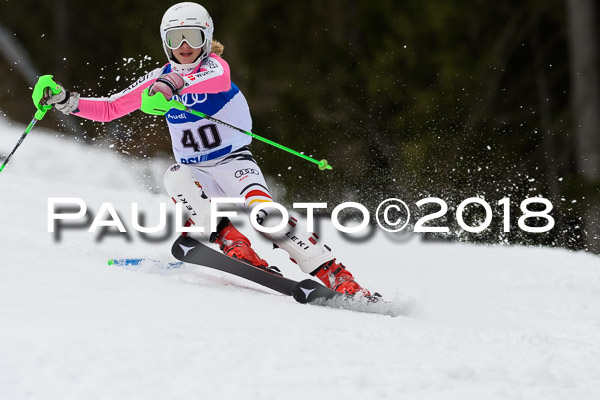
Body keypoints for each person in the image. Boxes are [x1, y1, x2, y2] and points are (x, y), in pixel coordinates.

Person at [35, 2, 372, 297]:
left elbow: (217, 81)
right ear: (165, 43)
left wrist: (171, 86)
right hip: (196, 173)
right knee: (175, 177)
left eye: (193, 38)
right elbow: (110, 109)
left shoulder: (213, 68)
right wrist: (65, 101)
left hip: (233, 163)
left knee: (266, 215)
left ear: (206, 39)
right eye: (175, 39)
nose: (184, 46)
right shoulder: (157, 78)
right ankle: (230, 241)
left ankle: (334, 274)